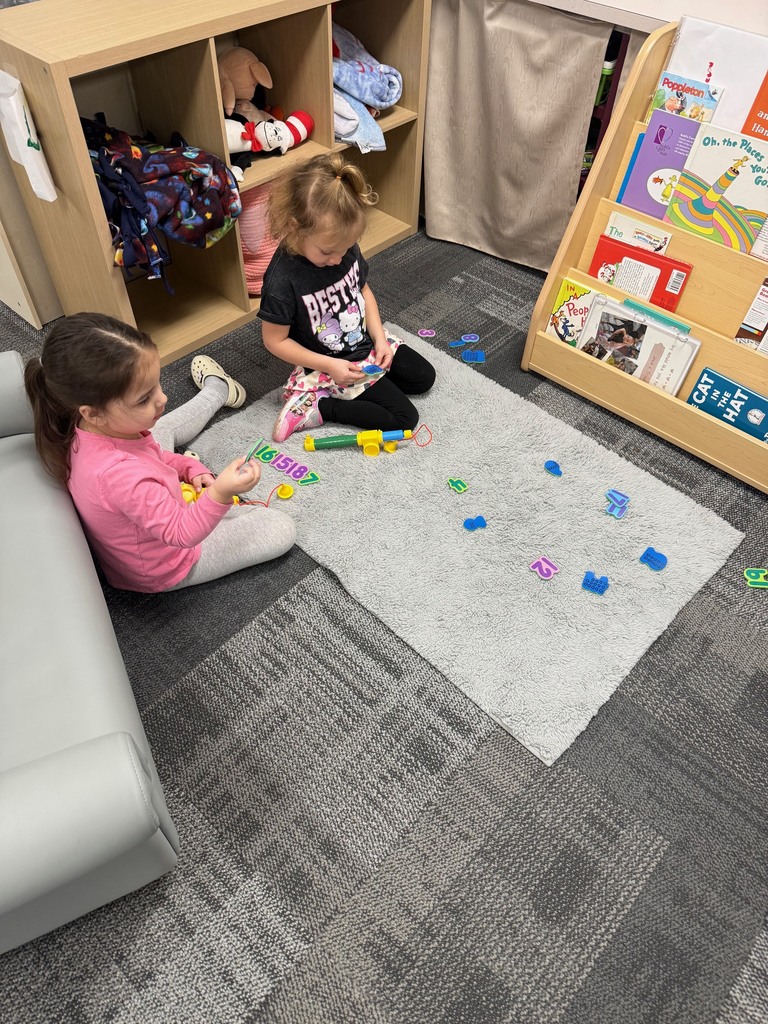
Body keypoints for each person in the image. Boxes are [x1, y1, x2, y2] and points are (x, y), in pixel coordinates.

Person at [24, 312, 296, 593]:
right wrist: (221, 493)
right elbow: (182, 533)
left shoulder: (91, 427)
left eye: (157, 383)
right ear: (93, 413)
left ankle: (218, 391)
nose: (162, 398)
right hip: (169, 565)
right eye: (144, 398)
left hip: (145, 503)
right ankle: (215, 394)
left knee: (160, 428)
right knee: (279, 527)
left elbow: (151, 454)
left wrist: (189, 467)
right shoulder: (122, 477)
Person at [257, 152, 436, 443]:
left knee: (423, 377)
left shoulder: (340, 244)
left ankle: (371, 381)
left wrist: (379, 339)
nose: (337, 258)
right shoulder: (281, 278)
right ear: (294, 228)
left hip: (364, 344)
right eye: (327, 252)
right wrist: (330, 366)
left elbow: (363, 291)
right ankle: (321, 407)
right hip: (331, 362)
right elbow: (274, 340)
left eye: (346, 248)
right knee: (405, 419)